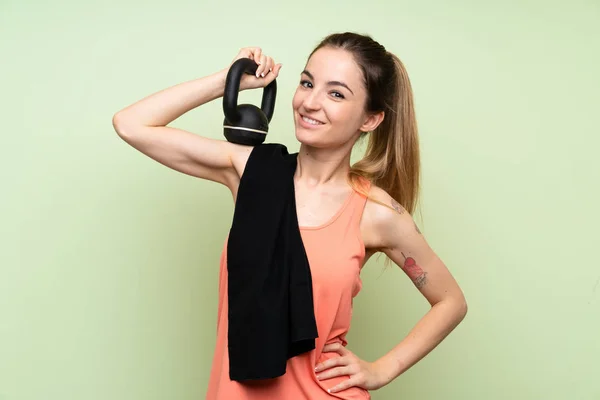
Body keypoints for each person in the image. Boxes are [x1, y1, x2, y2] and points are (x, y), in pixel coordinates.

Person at [112, 31, 468, 399]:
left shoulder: (377, 213)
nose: (310, 102)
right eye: (306, 83)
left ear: (371, 119)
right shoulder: (251, 173)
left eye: (336, 93)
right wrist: (228, 80)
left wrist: (382, 369)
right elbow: (131, 124)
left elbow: (451, 302)